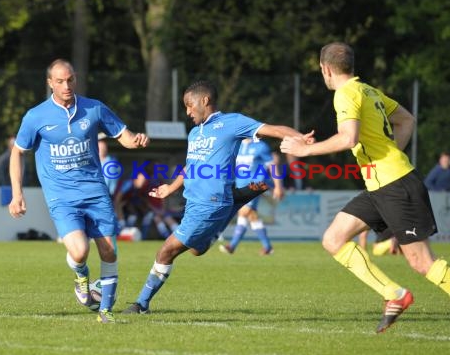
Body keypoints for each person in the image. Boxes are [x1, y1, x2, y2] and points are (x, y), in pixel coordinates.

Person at [280, 42, 450, 343]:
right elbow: (407, 120)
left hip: (395, 184)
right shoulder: (368, 90)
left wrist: (302, 151)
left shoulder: (345, 94)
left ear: (326, 69)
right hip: (380, 184)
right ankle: (393, 294)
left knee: (422, 262)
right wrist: (389, 153)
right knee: (333, 239)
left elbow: (348, 138)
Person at [122, 80, 312, 315]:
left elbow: (273, 129)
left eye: (189, 105)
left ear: (205, 100)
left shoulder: (232, 122)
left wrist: (301, 138)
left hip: (210, 203)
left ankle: (141, 304)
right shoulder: (194, 133)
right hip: (194, 202)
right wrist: (170, 188)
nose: (188, 112)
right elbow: (190, 166)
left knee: (165, 251)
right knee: (195, 250)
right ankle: (236, 201)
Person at [8, 59, 149, 323]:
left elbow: (124, 136)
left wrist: (137, 140)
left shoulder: (94, 108)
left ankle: (105, 312)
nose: (66, 85)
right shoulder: (36, 116)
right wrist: (17, 193)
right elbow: (18, 152)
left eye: (70, 79)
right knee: (80, 251)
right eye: (60, 81)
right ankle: (82, 277)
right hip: (61, 197)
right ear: (50, 83)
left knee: (109, 251)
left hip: (96, 192)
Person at [219, 139, 284, 255]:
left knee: (245, 211)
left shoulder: (261, 146)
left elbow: (272, 166)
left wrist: (278, 186)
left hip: (256, 184)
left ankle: (232, 245)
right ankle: (267, 246)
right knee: (249, 214)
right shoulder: (236, 145)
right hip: (240, 185)